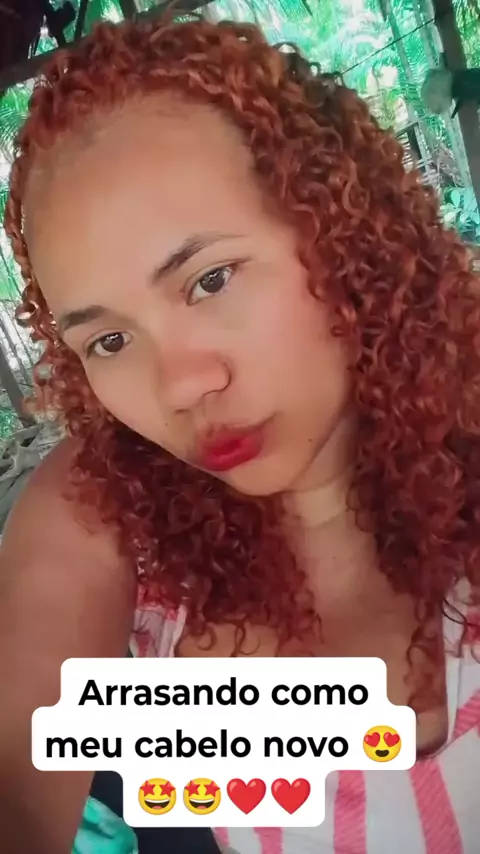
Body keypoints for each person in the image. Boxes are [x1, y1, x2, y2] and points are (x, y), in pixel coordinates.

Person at [0, 11, 480, 854]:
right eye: (109, 341)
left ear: (338, 231)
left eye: (210, 279)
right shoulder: (111, 506)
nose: (179, 386)